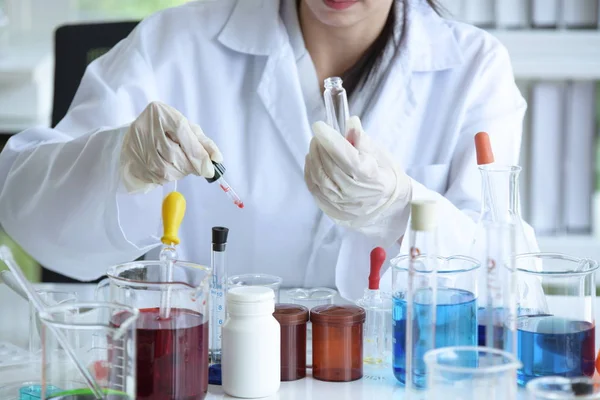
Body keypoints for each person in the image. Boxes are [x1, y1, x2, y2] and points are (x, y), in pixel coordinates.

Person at [0, 0, 536, 300]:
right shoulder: (174, 44)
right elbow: (25, 208)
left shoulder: (472, 71)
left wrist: (403, 209)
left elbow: (512, 289)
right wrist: (116, 163)